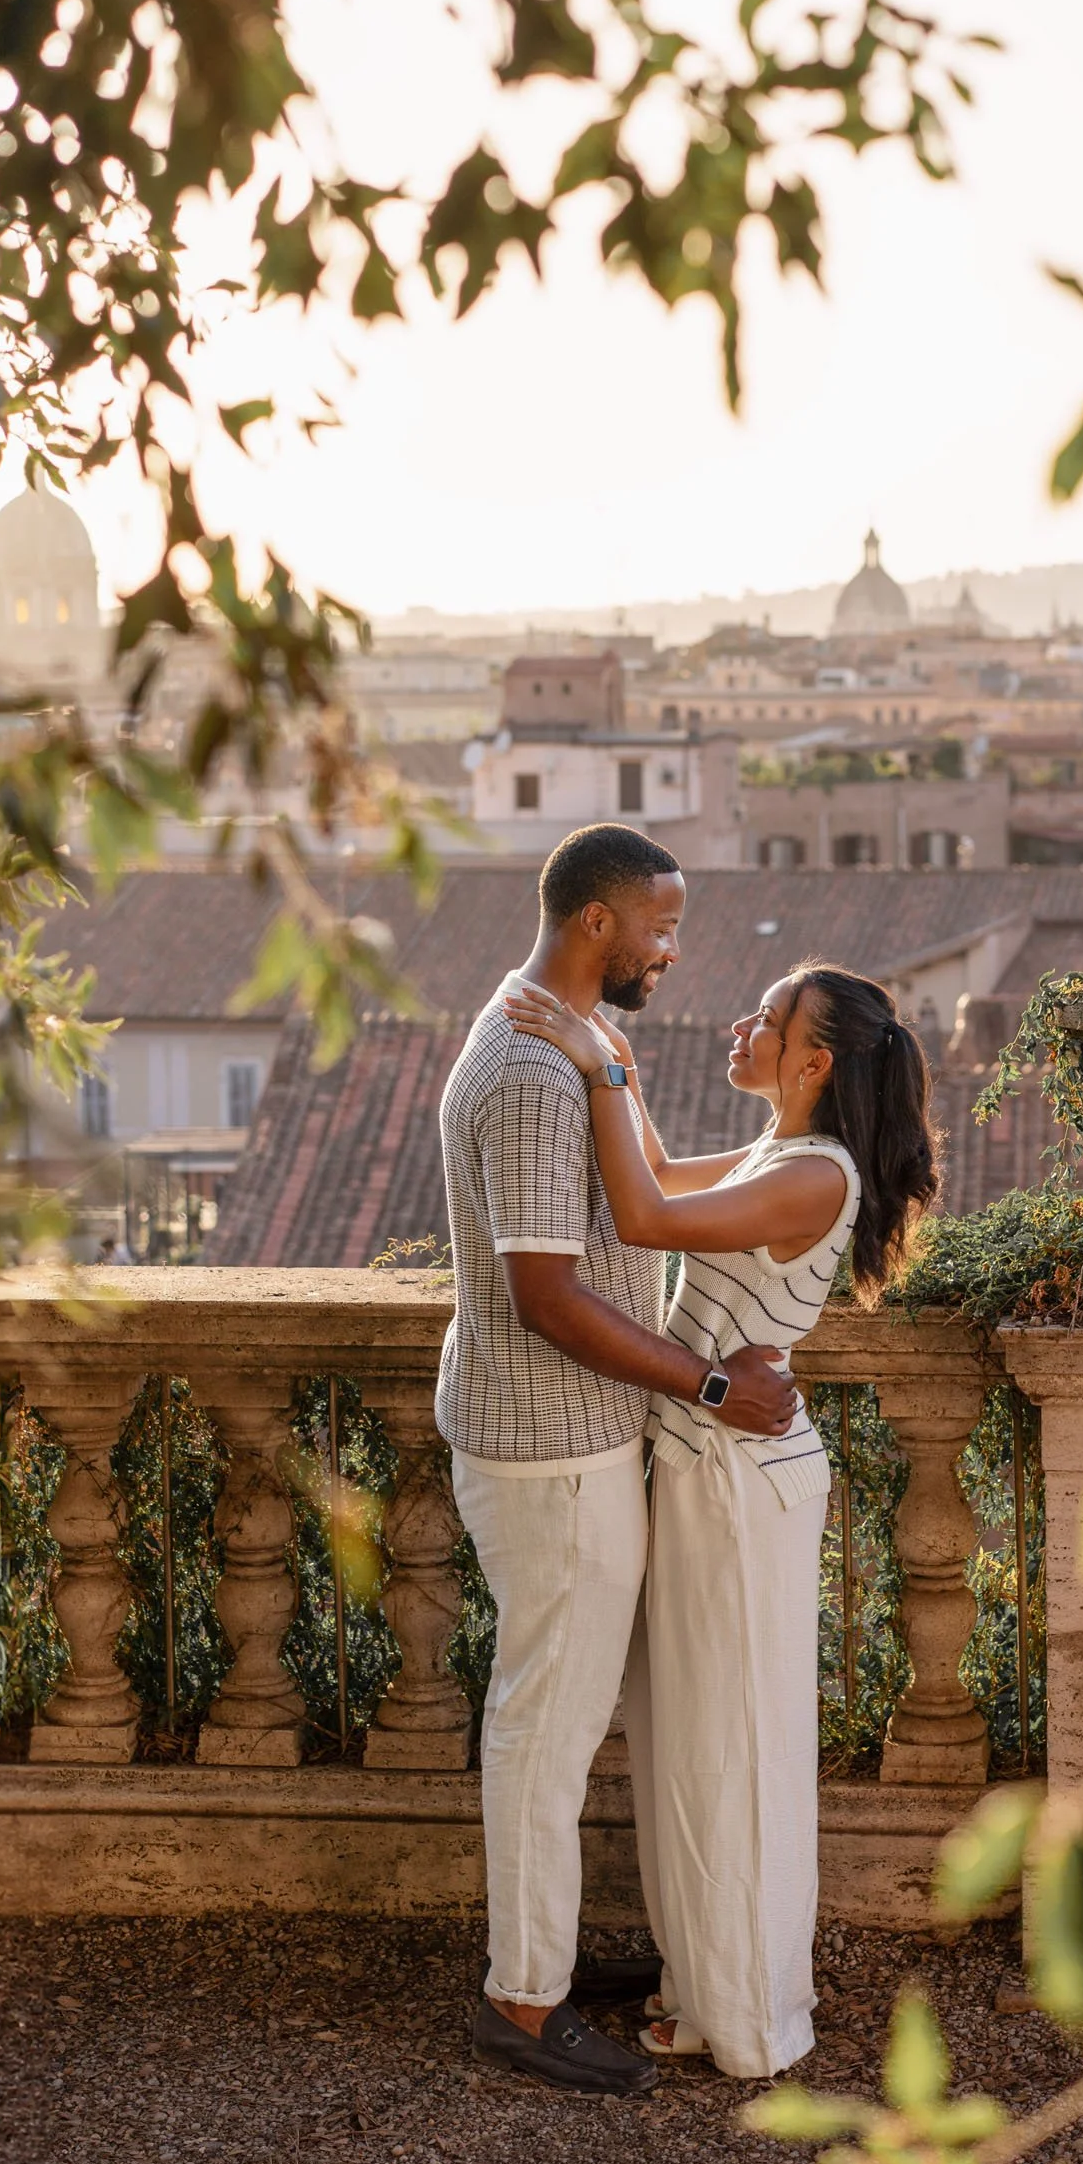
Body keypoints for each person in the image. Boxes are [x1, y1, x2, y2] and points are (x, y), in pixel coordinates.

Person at [502, 958, 940, 2078]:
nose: (742, 1022)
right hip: (709, 1470)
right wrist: (614, 1060)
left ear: (812, 1061)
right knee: (688, 1741)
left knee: (731, 1747)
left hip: (742, 1482)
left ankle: (746, 2018)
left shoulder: (816, 1176)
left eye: (769, 1015)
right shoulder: (775, 1154)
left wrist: (596, 1061)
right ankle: (704, 1990)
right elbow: (643, 1170)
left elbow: (641, 1219)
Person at [437, 823, 796, 2098]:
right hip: (551, 1450)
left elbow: (634, 1195)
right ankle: (521, 2002)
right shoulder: (537, 1076)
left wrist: (615, 1064)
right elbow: (547, 1295)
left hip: (561, 1436)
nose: (672, 945)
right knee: (546, 1726)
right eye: (660, 923)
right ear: (596, 923)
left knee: (560, 1716)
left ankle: (536, 1958)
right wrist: (711, 1383)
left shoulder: (558, 1042)